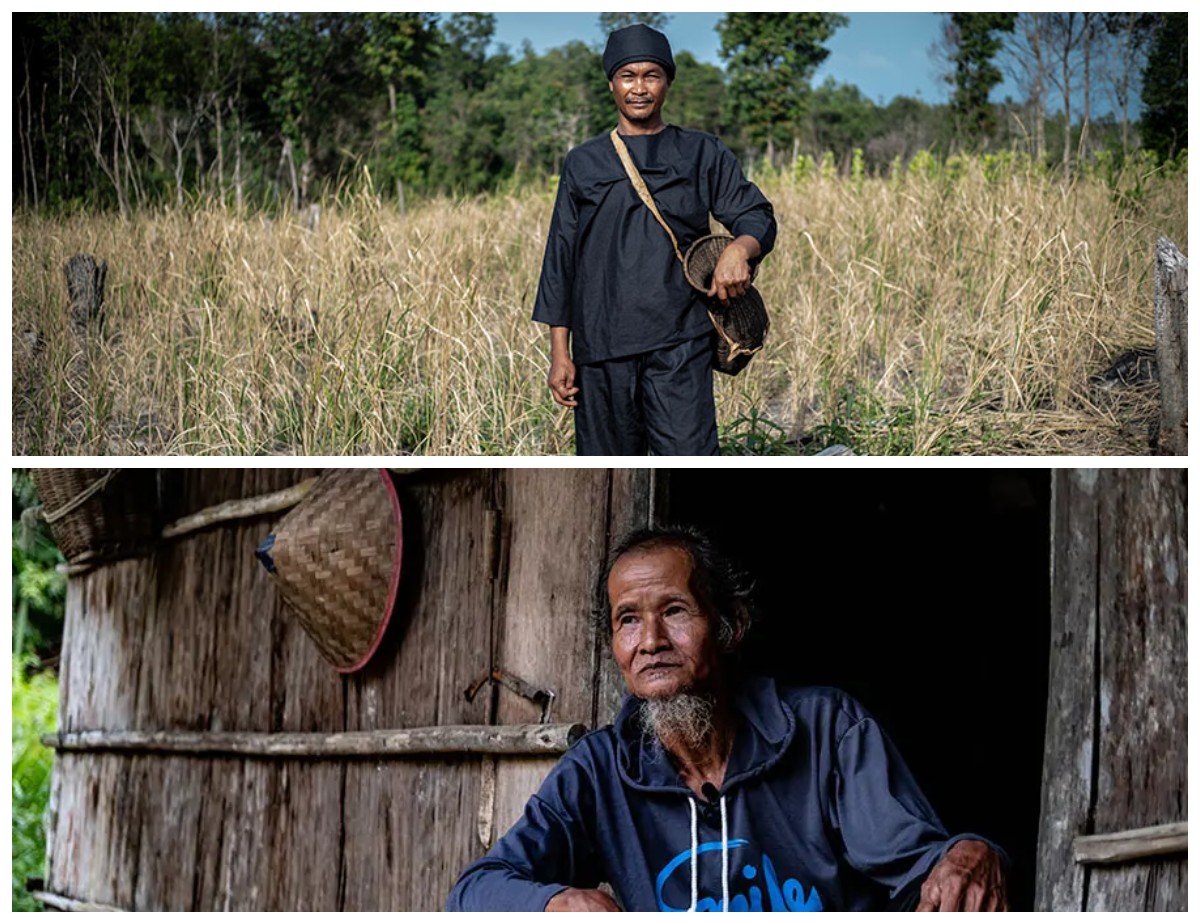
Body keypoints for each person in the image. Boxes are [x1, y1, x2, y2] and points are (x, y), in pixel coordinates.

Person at [446, 525, 1009, 912]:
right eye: (628, 621)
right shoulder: (599, 770)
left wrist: (971, 851)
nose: (652, 642)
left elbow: (926, 863)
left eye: (674, 611)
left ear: (729, 626)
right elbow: (473, 892)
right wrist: (554, 902)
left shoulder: (827, 732)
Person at [532, 24, 777, 456]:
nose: (639, 88)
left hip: (680, 344)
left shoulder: (701, 152)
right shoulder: (583, 163)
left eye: (651, 75)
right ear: (611, 83)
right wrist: (559, 353)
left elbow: (755, 214)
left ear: (667, 82)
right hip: (602, 348)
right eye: (628, 76)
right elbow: (560, 260)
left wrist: (740, 249)